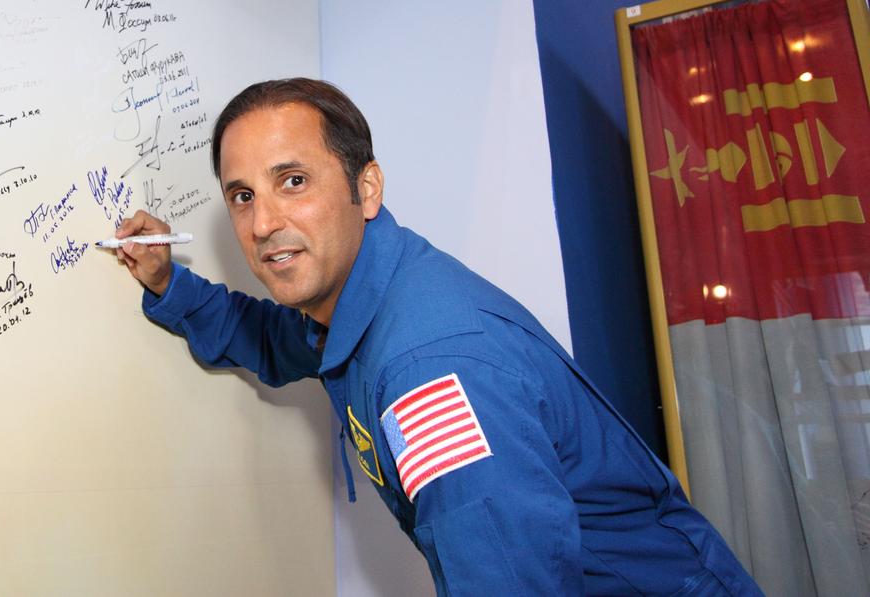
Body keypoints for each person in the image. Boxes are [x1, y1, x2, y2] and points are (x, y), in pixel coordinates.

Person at [114, 78, 760, 595]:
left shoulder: (429, 371)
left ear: (365, 187)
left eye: (293, 181)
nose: (262, 222)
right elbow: (273, 336)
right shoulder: (365, 295)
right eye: (243, 195)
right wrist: (169, 281)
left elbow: (506, 580)